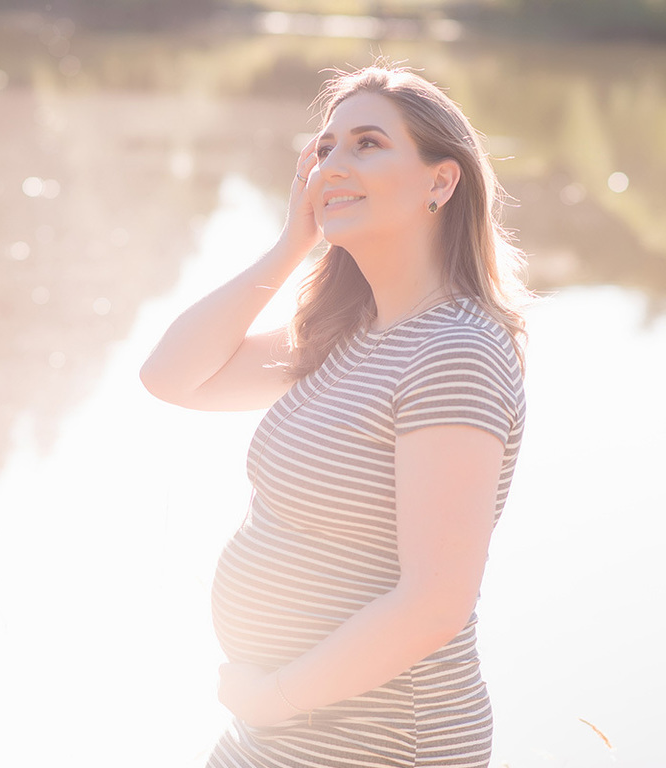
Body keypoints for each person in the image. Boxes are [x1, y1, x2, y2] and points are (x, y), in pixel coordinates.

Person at [140, 65, 529, 768]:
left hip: (375, 740)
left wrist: (278, 695)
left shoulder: (454, 352)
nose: (333, 166)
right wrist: (294, 242)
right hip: (281, 728)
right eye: (325, 149)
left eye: (367, 144)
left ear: (441, 182)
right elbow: (170, 377)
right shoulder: (348, 330)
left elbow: (436, 601)